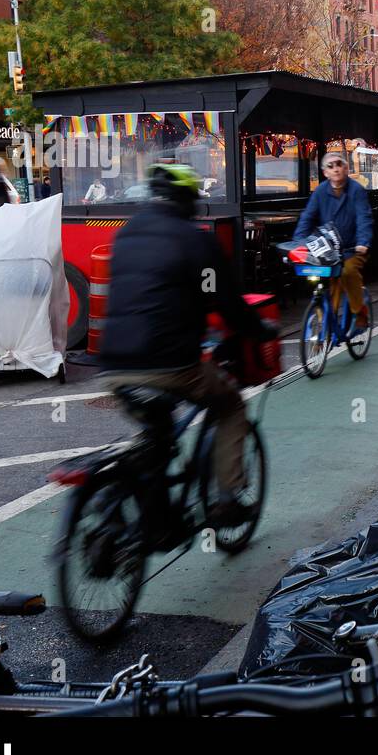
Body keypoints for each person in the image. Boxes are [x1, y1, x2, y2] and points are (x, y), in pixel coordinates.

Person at [99, 165, 274, 525]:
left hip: (114, 364)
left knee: (156, 436)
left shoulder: (126, 234)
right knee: (230, 407)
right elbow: (223, 300)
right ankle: (227, 498)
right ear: (189, 200)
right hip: (170, 363)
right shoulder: (195, 240)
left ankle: (154, 519)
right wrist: (259, 331)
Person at [293, 151, 374, 332]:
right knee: (322, 281)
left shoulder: (356, 190)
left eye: (339, 164)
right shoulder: (320, 191)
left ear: (346, 168)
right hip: (327, 250)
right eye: (330, 166)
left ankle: (359, 310)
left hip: (352, 248)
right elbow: (308, 217)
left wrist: (363, 242)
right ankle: (324, 325)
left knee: (347, 271)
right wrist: (297, 243)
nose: (335, 169)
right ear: (325, 173)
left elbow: (364, 218)